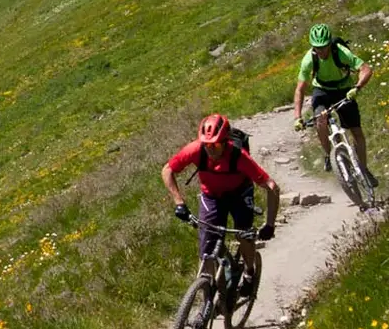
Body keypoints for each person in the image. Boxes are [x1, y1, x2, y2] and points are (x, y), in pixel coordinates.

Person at [161, 113, 279, 283]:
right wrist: (179, 203)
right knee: (207, 248)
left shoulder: (239, 156)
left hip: (240, 193)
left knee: (243, 234)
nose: (210, 149)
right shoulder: (195, 149)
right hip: (212, 196)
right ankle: (208, 289)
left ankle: (249, 272)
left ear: (225, 142)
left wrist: (270, 224)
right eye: (206, 144)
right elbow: (167, 170)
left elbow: (272, 187)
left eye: (215, 145)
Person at [293, 23, 375, 183]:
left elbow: (366, 69)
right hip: (322, 90)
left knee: (356, 131)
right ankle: (328, 154)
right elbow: (300, 89)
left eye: (324, 47)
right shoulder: (309, 59)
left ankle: (364, 170)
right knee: (320, 120)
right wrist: (297, 117)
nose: (321, 51)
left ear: (330, 43)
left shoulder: (341, 52)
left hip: (344, 88)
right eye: (317, 48)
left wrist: (357, 87)